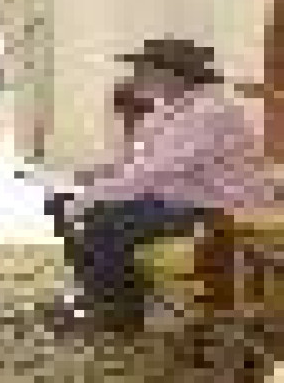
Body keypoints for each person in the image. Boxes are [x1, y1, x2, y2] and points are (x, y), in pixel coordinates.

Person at [50, 37, 272, 332]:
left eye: (146, 69)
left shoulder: (210, 112)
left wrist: (90, 197)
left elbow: (152, 171)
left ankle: (118, 309)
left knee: (103, 219)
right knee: (61, 204)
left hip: (216, 208)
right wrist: (87, 178)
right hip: (176, 197)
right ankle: (95, 294)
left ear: (174, 75)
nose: (138, 76)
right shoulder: (168, 108)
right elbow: (134, 161)